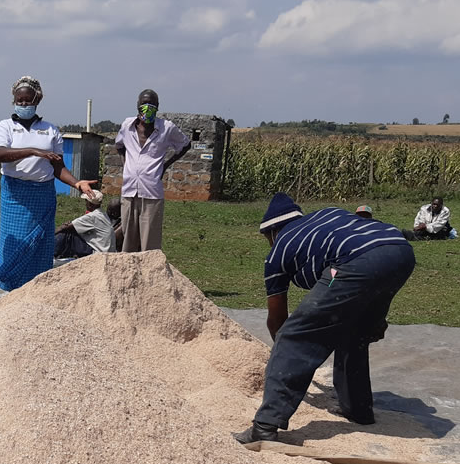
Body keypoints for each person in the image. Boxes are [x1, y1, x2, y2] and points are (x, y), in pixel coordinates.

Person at [233, 193, 415, 444]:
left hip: (356, 261)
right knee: (354, 332)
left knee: (293, 336)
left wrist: (284, 352)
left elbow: (277, 319)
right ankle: (358, 410)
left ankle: (265, 426)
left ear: (273, 230)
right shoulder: (326, 215)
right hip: (399, 250)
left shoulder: (279, 248)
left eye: (267, 237)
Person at [0, 76, 95, 291]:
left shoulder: (50, 130)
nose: (23, 105)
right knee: (15, 245)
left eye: (28, 100)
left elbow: (59, 168)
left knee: (40, 244)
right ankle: (8, 287)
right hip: (15, 195)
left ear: (37, 99)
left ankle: (36, 288)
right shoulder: (6, 127)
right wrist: (33, 151)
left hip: (42, 196)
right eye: (19, 100)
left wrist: (77, 184)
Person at [114, 89, 192, 252]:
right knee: (127, 241)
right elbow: (119, 145)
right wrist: (125, 165)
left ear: (157, 107)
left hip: (151, 193)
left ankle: (149, 275)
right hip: (129, 192)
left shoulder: (166, 128)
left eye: (152, 104)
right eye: (144, 103)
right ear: (137, 105)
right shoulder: (127, 126)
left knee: (149, 245)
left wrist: (166, 164)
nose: (147, 107)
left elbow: (185, 144)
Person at [54, 191, 118, 258]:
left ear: (90, 204)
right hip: (106, 250)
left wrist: (51, 235)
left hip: (98, 252)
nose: (85, 204)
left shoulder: (93, 216)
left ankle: (51, 253)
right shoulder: (102, 214)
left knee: (67, 234)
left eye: (86, 201)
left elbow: (65, 227)